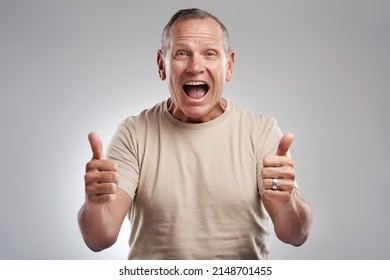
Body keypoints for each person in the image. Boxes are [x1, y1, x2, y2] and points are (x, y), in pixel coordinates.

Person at [78, 8, 312, 259]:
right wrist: (94, 204)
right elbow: (99, 239)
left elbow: (295, 235)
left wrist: (288, 201)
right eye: (182, 54)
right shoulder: (133, 133)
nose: (195, 66)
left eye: (210, 54)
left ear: (229, 65)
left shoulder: (260, 130)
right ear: (162, 65)